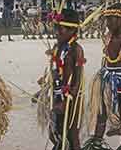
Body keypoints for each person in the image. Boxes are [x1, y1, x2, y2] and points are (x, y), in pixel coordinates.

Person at [37, 9, 86, 150]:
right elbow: (55, 69)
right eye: (55, 28)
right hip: (56, 93)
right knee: (54, 131)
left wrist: (68, 100)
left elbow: (78, 79)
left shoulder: (76, 49)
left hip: (72, 97)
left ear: (72, 31)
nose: (56, 32)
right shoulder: (57, 47)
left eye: (61, 29)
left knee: (71, 132)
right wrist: (46, 81)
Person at [82, 2, 121, 150]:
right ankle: (96, 141)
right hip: (105, 80)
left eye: (111, 19)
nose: (108, 22)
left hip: (119, 81)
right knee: (101, 111)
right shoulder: (108, 37)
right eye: (106, 19)